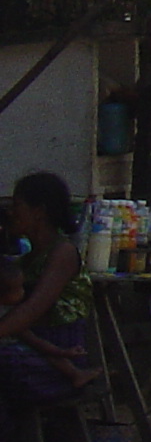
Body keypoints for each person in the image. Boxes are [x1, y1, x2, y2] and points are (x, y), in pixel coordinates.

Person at [0, 172, 98, 426]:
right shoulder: (24, 261)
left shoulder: (62, 253)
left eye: (17, 206)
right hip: (33, 352)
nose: (10, 212)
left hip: (57, 364)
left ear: (39, 211)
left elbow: (31, 311)